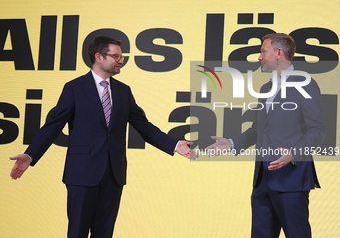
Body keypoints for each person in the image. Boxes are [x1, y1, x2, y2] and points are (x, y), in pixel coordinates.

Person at [10, 36, 195, 238]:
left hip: (113, 176)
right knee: (77, 233)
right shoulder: (74, 88)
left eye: (121, 56)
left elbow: (144, 126)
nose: (120, 60)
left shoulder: (123, 91)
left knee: (104, 234)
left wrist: (174, 144)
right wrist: (30, 155)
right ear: (99, 57)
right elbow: (53, 126)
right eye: (115, 56)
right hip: (82, 175)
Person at [206, 33, 325, 238]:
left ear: (279, 53)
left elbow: (318, 130)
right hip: (262, 182)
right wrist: (233, 143)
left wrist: (293, 153)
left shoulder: (305, 84)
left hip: (291, 181)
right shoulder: (266, 88)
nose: (259, 57)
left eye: (263, 51)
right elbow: (257, 129)